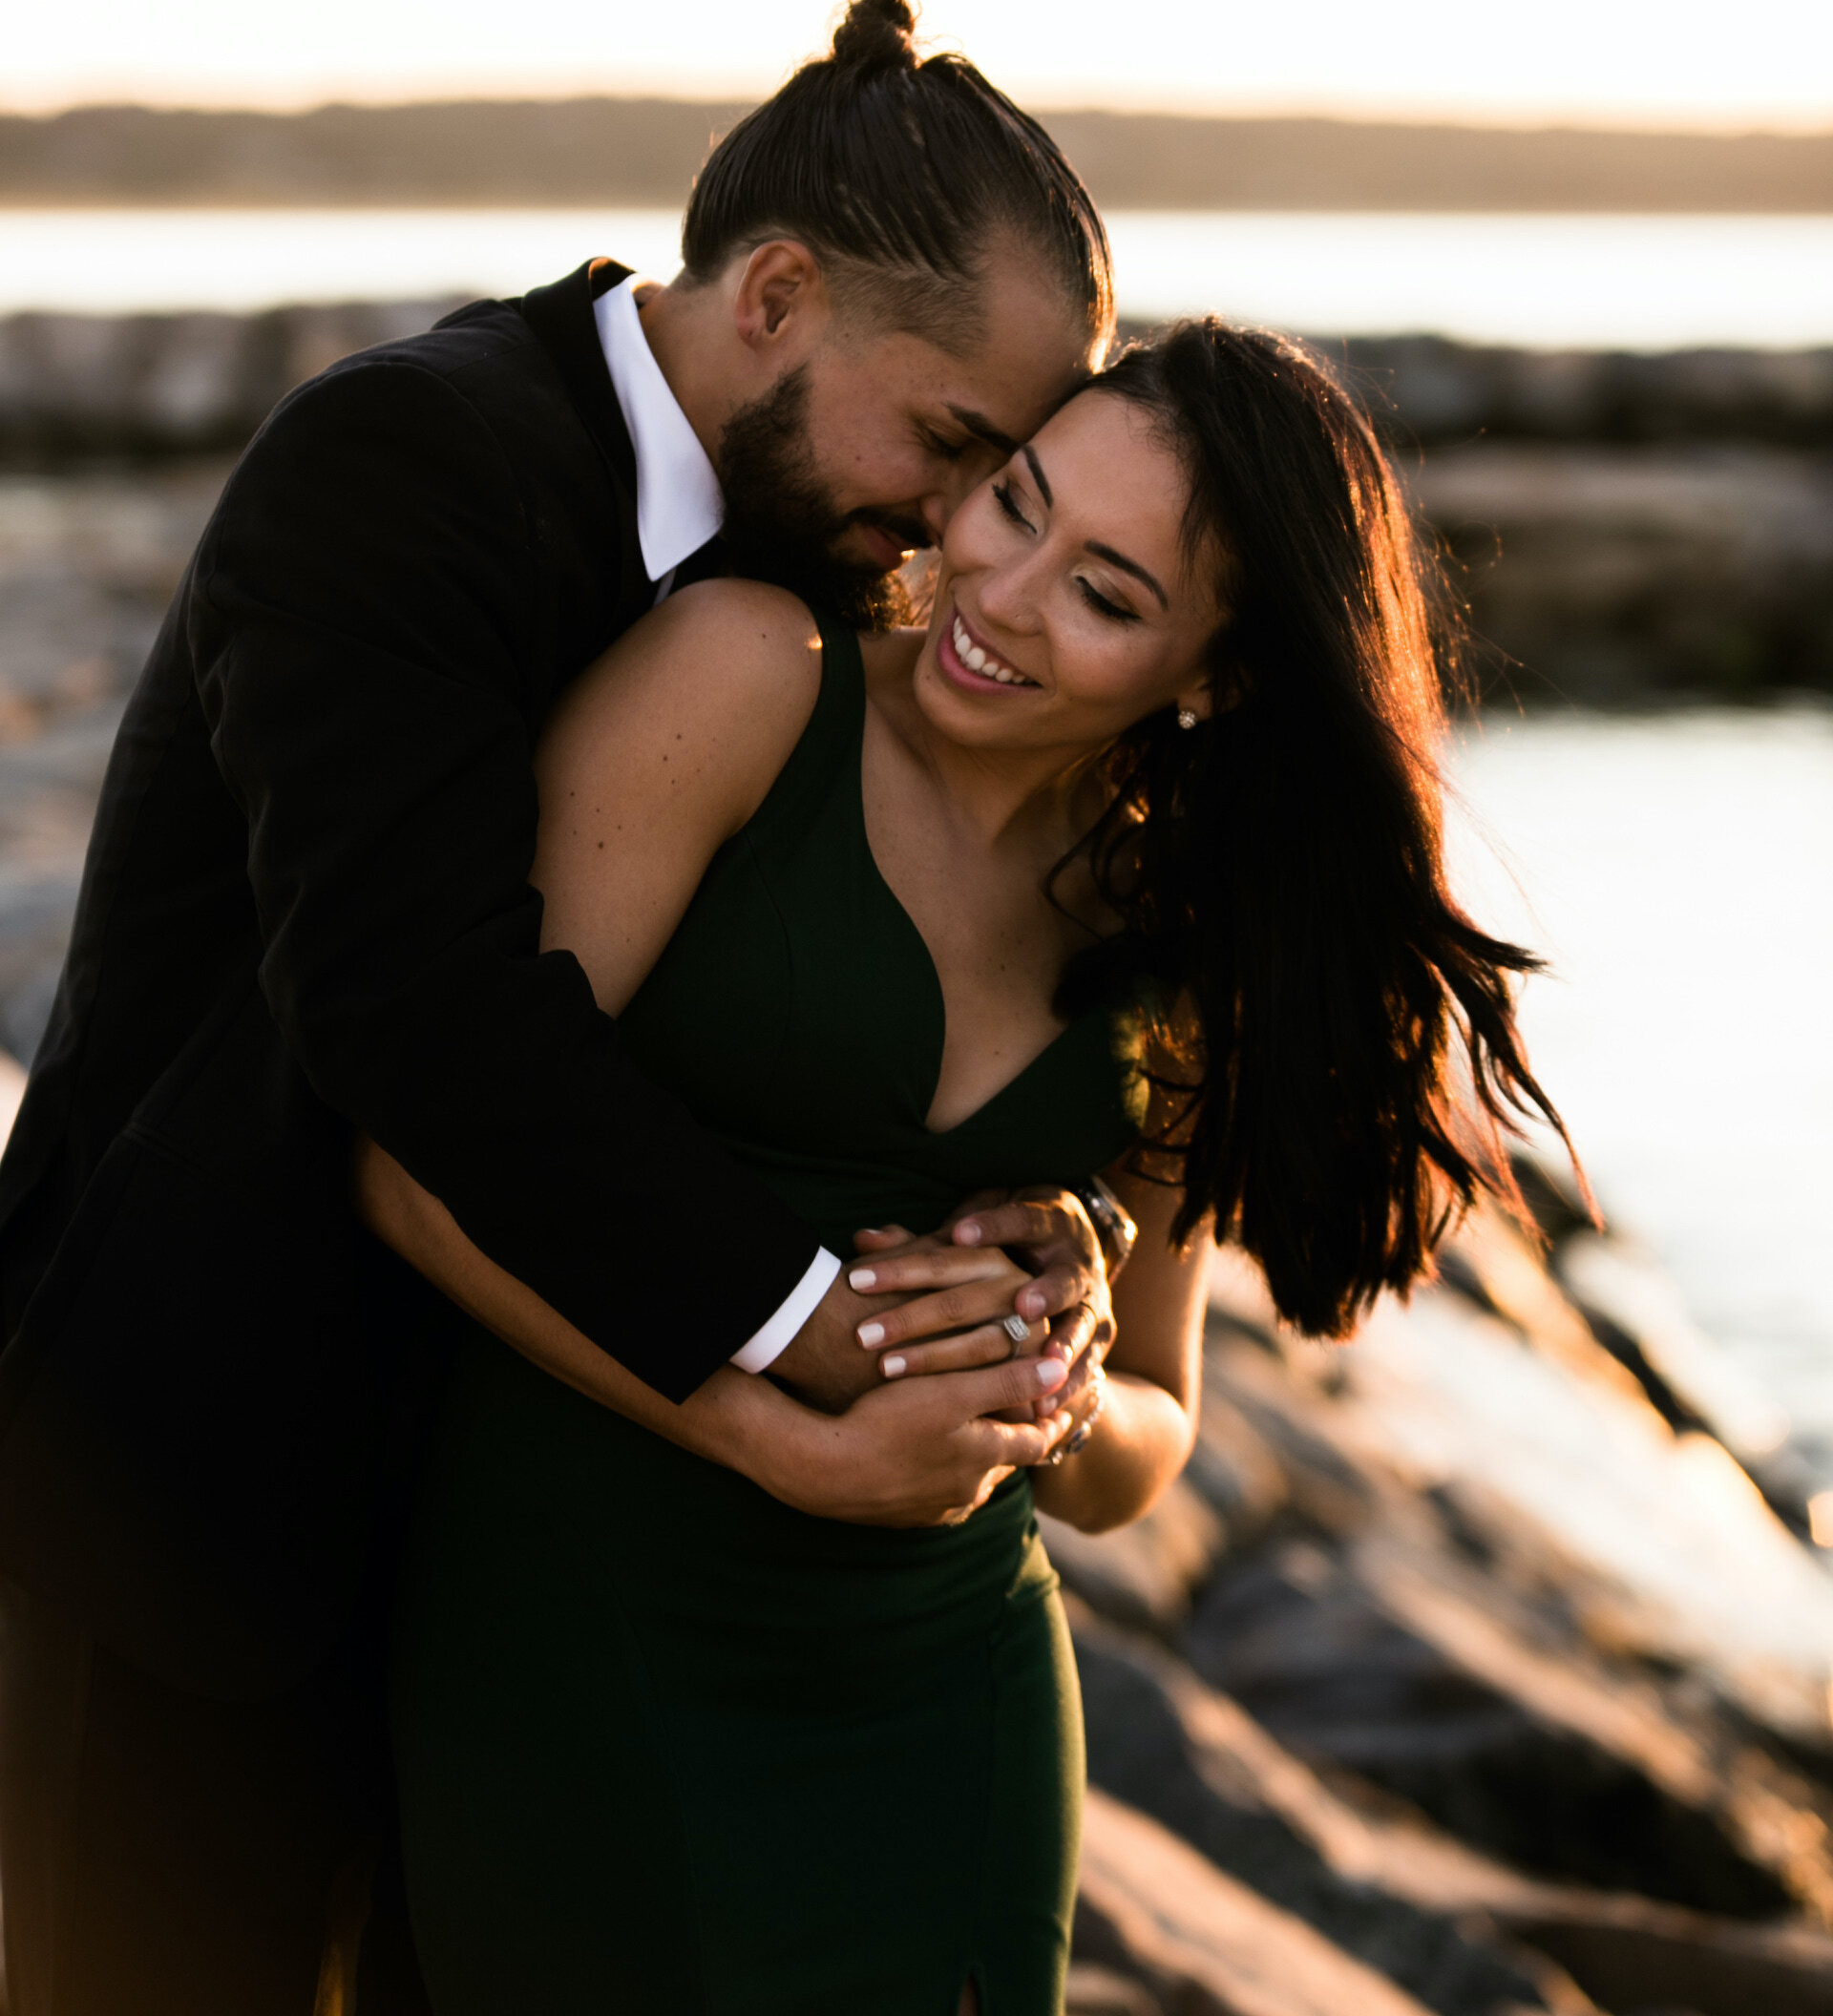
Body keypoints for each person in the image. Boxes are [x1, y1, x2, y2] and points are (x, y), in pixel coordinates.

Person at [0, 0, 1124, 2015]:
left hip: (527, 1555)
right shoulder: (405, 455)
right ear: (777, 294)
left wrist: (1054, 1250)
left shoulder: (819, 578)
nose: (959, 530)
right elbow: (411, 1011)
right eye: (954, 444)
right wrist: (825, 1343)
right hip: (189, 1493)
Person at [358, 313, 1560, 2016]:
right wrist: (773, 1440)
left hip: (951, 1709)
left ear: (1211, 680)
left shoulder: (1180, 948)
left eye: (1108, 595)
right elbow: (418, 1167)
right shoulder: (748, 679)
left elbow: (1150, 1427)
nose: (998, 593)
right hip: (578, 1645)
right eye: (1018, 503)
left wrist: (1050, 1387)